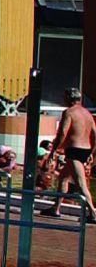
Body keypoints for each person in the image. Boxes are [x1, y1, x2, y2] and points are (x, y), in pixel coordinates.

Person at [44, 87, 96, 219]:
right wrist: (92, 153)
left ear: (68, 98)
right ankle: (56, 208)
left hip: (74, 150)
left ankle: (93, 213)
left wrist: (54, 150)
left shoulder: (69, 112)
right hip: (85, 149)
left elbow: (62, 132)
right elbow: (95, 134)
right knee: (63, 178)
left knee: (81, 184)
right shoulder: (88, 114)